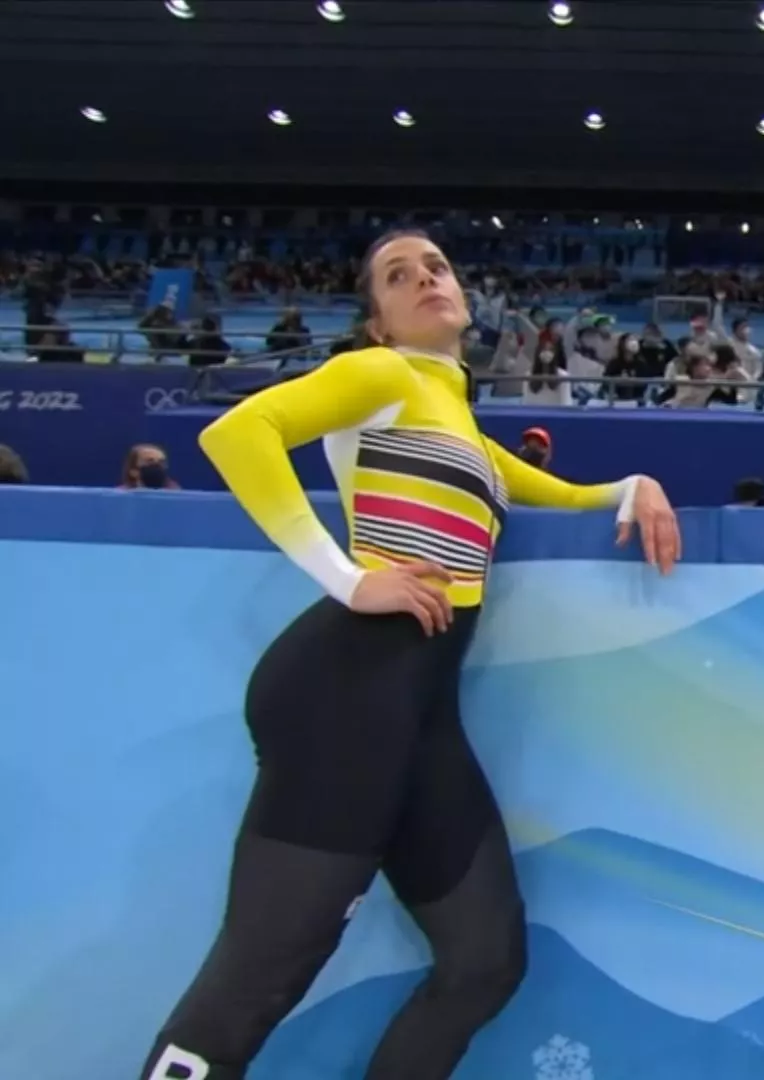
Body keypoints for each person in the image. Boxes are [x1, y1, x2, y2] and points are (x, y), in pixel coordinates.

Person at [139, 230, 681, 1080]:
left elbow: (551, 489)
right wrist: (348, 581)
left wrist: (632, 488)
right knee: (258, 977)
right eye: (399, 276)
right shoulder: (381, 375)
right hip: (342, 700)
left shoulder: (456, 420)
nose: (425, 278)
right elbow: (238, 435)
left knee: (484, 961)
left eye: (436, 266)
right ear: (379, 321)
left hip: (419, 716)